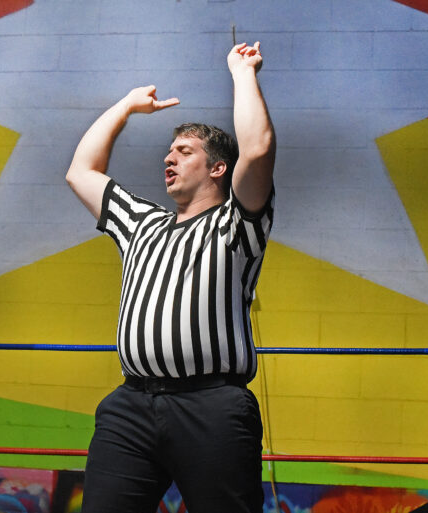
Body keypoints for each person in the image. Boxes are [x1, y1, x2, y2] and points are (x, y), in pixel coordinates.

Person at [66, 41, 275, 513]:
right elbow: (81, 171)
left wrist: (243, 73)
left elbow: (258, 149)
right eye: (168, 152)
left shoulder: (236, 224)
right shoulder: (141, 222)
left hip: (212, 407)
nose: (169, 158)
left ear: (218, 168)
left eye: (184, 151)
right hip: (131, 406)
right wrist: (125, 107)